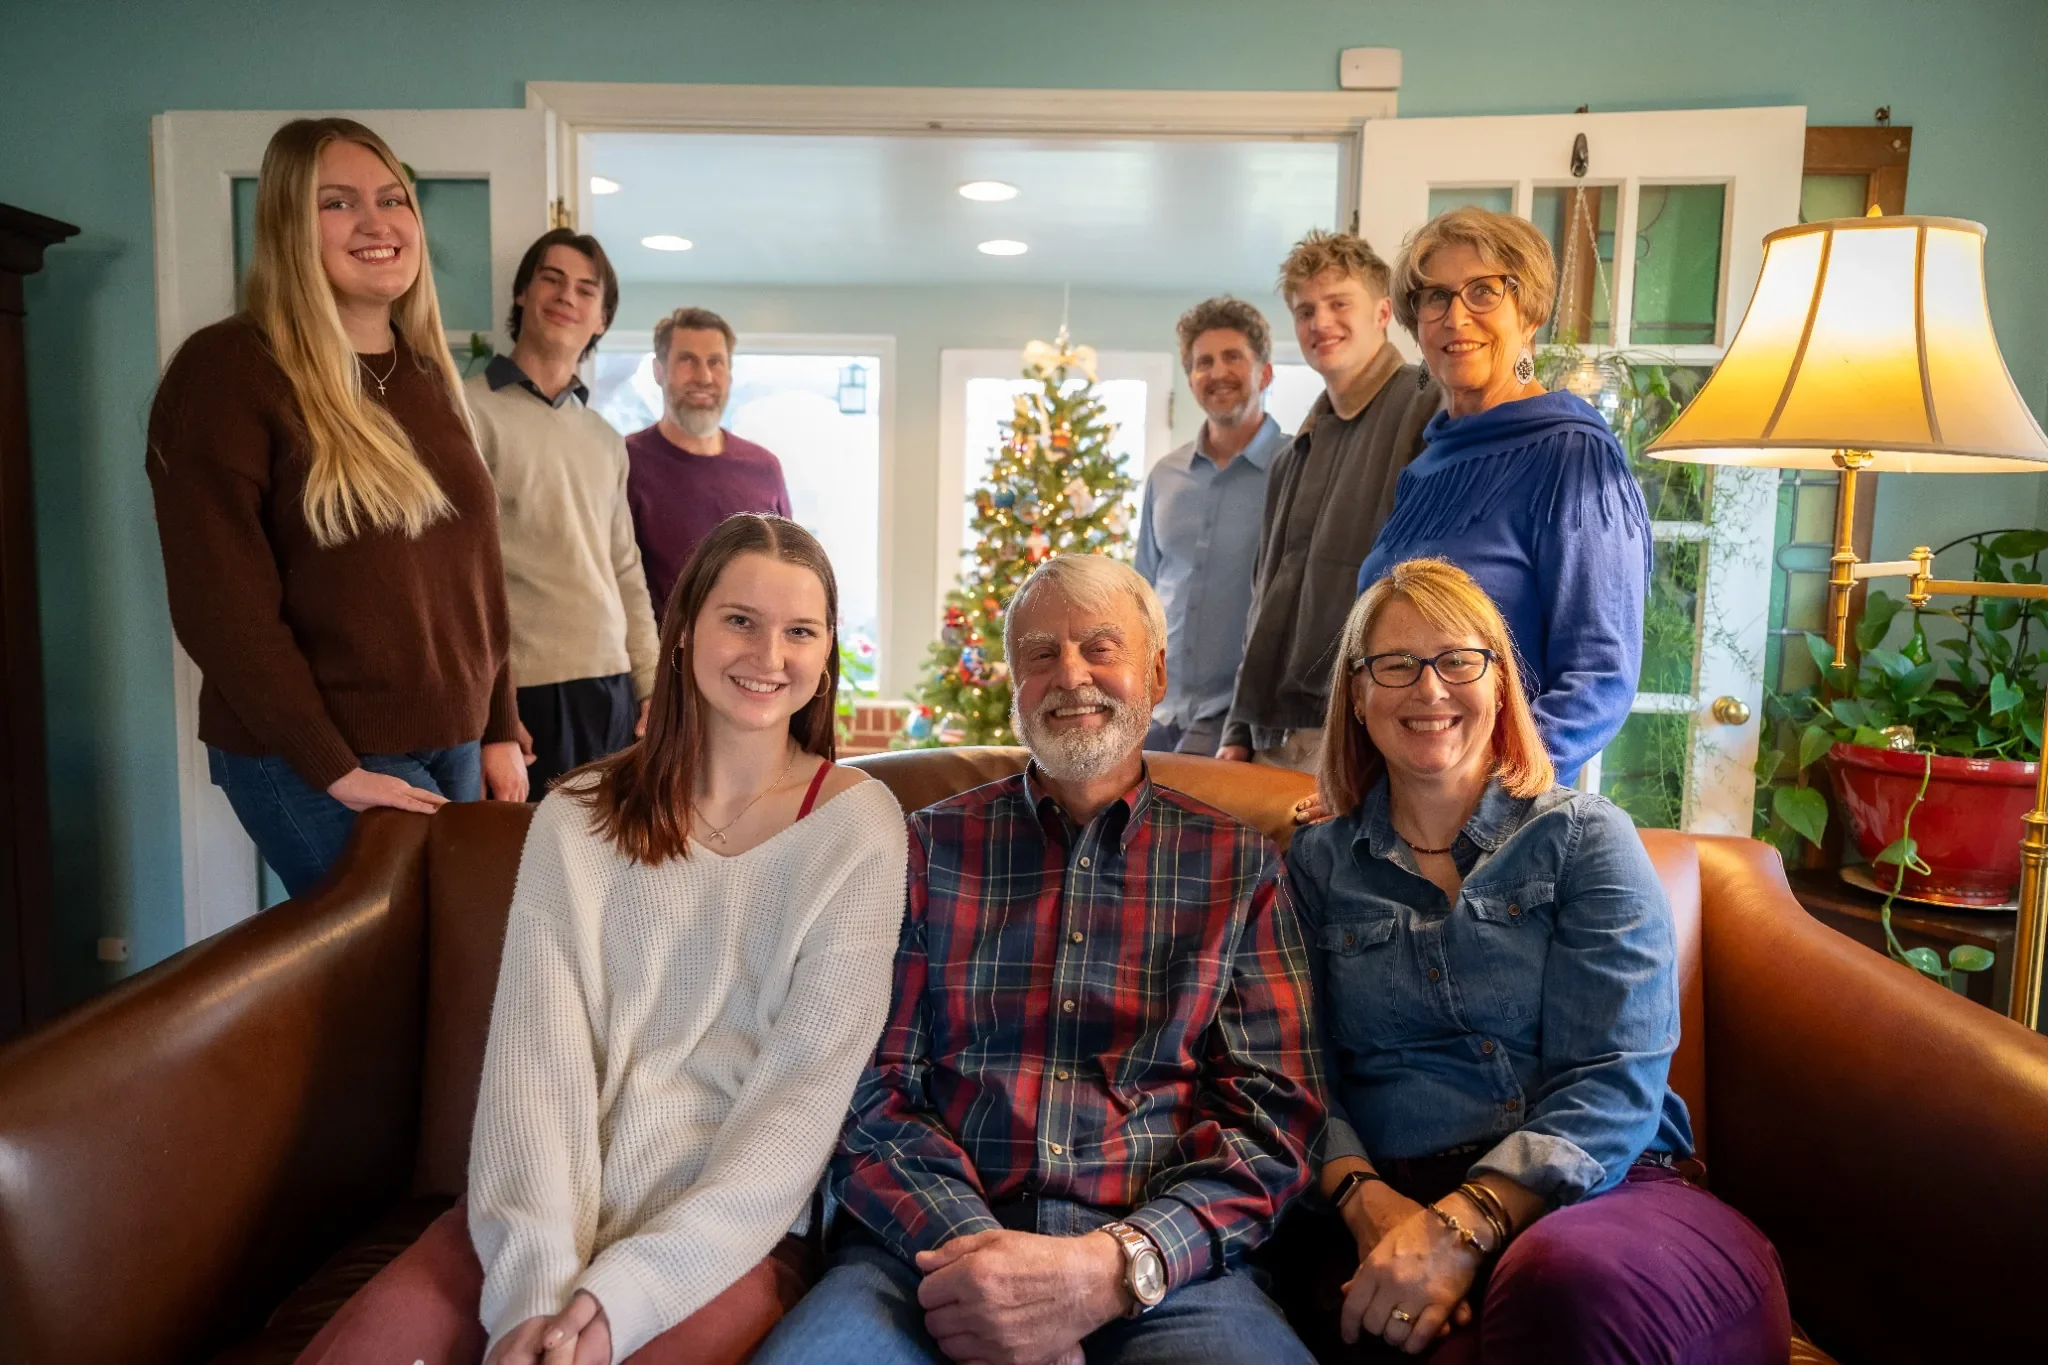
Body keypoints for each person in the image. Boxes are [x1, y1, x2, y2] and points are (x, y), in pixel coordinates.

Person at [295, 515, 910, 1365]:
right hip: (532, 1215)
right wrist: (533, 1295)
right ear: (685, 624)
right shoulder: (576, 814)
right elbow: (534, 1064)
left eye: (799, 631)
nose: (769, 654)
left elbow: (796, 1111)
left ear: (827, 649)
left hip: (724, 1245)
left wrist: (619, 1299)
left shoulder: (858, 829)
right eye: (741, 619)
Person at [755, 554, 1326, 1365]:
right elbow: (861, 1089)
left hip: (1166, 1277)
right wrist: (993, 1269)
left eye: (1101, 648)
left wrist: (1112, 1265)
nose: (1071, 675)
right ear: (1013, 681)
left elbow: (1276, 1121)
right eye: (1040, 654)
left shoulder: (1238, 867)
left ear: (1156, 673)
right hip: (926, 1256)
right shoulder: (925, 850)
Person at [1282, 557, 1789, 1362]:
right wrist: (1365, 1201)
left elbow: (1619, 1074)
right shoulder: (1314, 864)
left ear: (1498, 681)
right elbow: (1294, 1075)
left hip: (1606, 1191)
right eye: (1396, 664)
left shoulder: (1585, 837)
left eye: (1458, 660)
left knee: (1564, 1282)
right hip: (1393, 1200)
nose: (1430, 688)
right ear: (1358, 691)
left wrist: (1464, 1225)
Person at [147, 117, 526, 900]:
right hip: (319, 752)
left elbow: (474, 578)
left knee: (457, 968)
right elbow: (221, 605)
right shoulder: (228, 372)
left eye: (393, 199)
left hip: (452, 742)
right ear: (288, 224)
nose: (376, 222)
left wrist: (498, 727)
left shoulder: (426, 374)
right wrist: (334, 767)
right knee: (395, 988)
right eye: (338, 203)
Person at [1355, 207, 1651, 782]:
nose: (1454, 316)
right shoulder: (1422, 470)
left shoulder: (1572, 454)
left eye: (1483, 292)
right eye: (1434, 297)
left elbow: (1599, 678)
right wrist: (1358, 779)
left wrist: (1481, 791)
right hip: (1401, 806)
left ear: (1530, 311)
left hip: (1500, 819)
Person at [1218, 231, 1440, 775]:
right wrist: (1239, 730)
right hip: (1274, 736)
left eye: (1339, 304)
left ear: (1384, 311)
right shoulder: (1293, 455)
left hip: (1365, 736)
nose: (1320, 323)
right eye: (1305, 310)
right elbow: (1261, 604)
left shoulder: (1429, 405)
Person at [468, 228, 661, 793]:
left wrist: (649, 687)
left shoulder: (604, 439)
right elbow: (457, 578)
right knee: (516, 871)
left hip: (611, 690)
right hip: (521, 695)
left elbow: (625, 566)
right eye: (551, 279)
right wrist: (492, 712)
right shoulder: (465, 412)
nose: (566, 297)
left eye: (585, 289)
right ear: (523, 294)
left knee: (607, 866)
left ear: (601, 319)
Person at [1135, 297, 1286, 757]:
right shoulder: (1165, 475)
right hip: (1155, 712)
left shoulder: (1298, 467)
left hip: (1240, 724)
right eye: (1204, 362)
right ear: (1191, 378)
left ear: (1265, 372)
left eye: (1233, 357)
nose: (1217, 372)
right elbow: (1141, 591)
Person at [626, 307, 793, 620]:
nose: (703, 377)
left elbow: (785, 574)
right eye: (687, 360)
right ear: (659, 371)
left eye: (715, 362)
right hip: (658, 663)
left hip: (750, 663)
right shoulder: (624, 462)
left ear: (729, 373)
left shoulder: (764, 469)